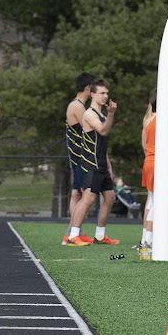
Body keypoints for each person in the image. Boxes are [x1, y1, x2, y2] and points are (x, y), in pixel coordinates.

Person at [66, 78, 120, 246]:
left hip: (101, 164)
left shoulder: (102, 115)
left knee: (109, 198)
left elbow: (103, 144)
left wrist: (109, 166)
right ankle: (73, 235)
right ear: (93, 94)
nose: (105, 96)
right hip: (91, 164)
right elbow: (103, 131)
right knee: (88, 198)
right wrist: (111, 114)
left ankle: (100, 235)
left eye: (107, 93)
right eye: (102, 93)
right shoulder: (89, 114)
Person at [140, 88, 168, 250]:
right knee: (160, 202)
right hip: (163, 163)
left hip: (149, 161)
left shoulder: (148, 120)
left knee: (151, 201)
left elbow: (145, 145)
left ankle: (146, 238)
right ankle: (152, 240)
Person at [63, 72, 95, 245]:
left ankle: (73, 231)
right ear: (88, 88)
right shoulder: (77, 106)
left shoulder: (77, 105)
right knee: (82, 195)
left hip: (77, 156)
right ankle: (72, 233)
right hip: (79, 156)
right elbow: (89, 128)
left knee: (77, 194)